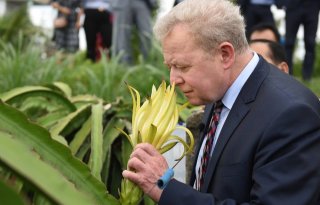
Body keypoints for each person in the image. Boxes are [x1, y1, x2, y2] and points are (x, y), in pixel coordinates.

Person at [122, 0, 320, 204]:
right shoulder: (217, 92)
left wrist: (166, 189)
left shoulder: (291, 114)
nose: (173, 80)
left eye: (182, 66)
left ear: (225, 55)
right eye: (170, 66)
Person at [280, 0, 320, 81]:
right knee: (289, 43)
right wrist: (281, 3)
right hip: (293, 6)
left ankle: (307, 76)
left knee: (310, 43)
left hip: (312, 7)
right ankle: (287, 75)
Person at [112, 0, 157, 65]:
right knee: (122, 35)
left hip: (144, 2)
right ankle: (124, 66)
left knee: (147, 34)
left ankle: (149, 64)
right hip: (121, 2)